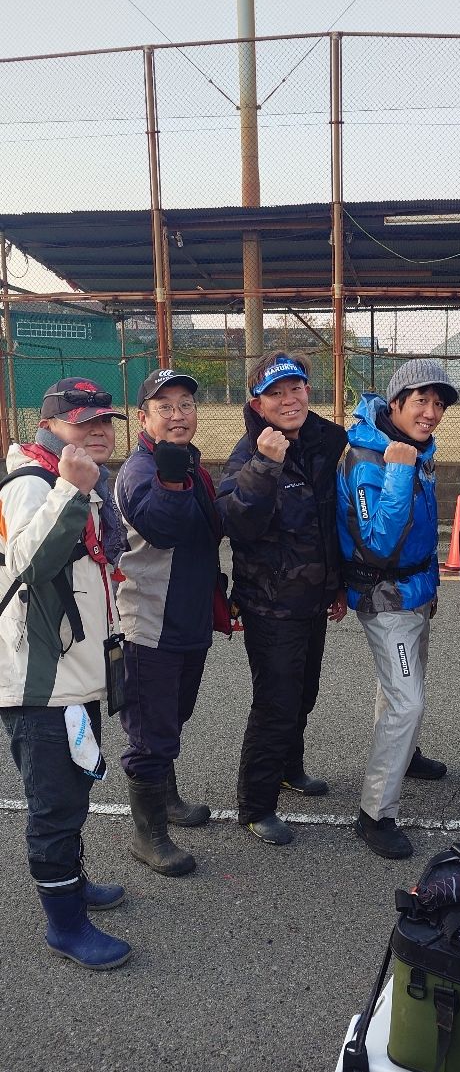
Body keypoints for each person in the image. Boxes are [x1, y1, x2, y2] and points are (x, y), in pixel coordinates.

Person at [0, 378, 131, 970]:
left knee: (74, 792)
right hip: (40, 683)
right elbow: (32, 563)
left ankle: (73, 887)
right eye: (82, 421)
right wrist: (72, 490)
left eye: (104, 419)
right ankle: (65, 925)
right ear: (50, 426)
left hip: (74, 673)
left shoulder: (70, 479)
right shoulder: (34, 482)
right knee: (54, 807)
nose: (97, 429)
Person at [216, 352, 347, 846]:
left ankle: (291, 768)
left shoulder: (321, 442)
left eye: (296, 388)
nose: (289, 400)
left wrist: (334, 586)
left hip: (312, 597)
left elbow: (326, 522)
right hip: (270, 603)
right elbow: (236, 523)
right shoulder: (250, 453)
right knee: (276, 702)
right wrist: (264, 466)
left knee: (304, 693)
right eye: (276, 393)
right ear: (258, 403)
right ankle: (256, 803)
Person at [336, 359, 458, 860]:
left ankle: (402, 756)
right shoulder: (372, 458)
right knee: (407, 701)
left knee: (400, 693)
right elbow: (380, 543)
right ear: (395, 404)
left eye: (439, 404)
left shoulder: (413, 448)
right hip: (385, 597)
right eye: (421, 401)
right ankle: (375, 812)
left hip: (416, 592)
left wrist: (432, 586)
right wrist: (401, 473)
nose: (430, 413)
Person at [114, 367, 227, 877]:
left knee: (172, 718)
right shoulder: (143, 470)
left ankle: (170, 798)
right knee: (150, 732)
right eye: (166, 406)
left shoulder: (185, 462)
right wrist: (174, 474)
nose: (179, 415)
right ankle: (148, 835)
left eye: (186, 404)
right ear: (144, 417)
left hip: (187, 618)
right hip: (150, 624)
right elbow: (163, 528)